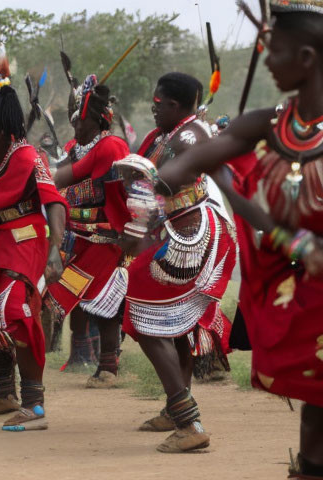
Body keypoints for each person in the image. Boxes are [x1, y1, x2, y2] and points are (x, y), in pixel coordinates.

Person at [156, 1, 323, 474]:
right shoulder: (267, 124)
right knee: (315, 412)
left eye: (277, 51)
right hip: (306, 291)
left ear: (307, 58)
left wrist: (228, 182)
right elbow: (177, 170)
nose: (267, 61)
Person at [116, 72, 236, 453]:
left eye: (159, 102)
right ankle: (176, 410)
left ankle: (189, 422)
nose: (153, 107)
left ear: (176, 105)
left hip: (190, 237)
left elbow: (160, 184)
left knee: (144, 318)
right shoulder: (165, 134)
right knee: (172, 324)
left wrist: (134, 231)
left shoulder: (189, 136)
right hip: (170, 228)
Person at [0, 73, 68, 431]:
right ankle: (5, 393)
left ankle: (34, 406)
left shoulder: (29, 158)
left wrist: (55, 250)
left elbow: (54, 203)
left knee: (15, 311)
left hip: (25, 240)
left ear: (2, 131)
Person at [43, 75, 131, 388]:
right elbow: (58, 171)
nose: (73, 129)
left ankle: (108, 368)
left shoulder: (110, 147)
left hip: (106, 240)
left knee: (98, 302)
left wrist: (44, 176)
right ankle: (105, 366)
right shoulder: (85, 147)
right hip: (83, 238)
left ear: (91, 121)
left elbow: (65, 177)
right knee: (93, 302)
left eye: (77, 123)